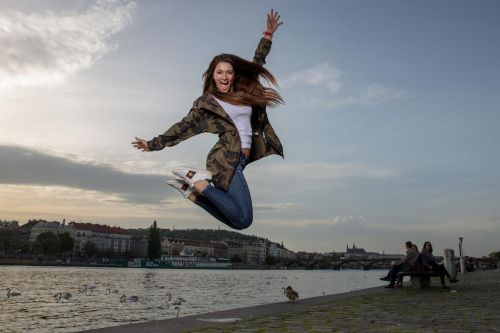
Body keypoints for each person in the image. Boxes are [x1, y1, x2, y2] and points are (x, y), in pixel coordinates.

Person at [132, 10, 284, 230]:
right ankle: (197, 180)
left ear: (233, 75)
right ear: (213, 75)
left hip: (238, 161)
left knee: (236, 220)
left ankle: (193, 193)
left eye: (229, 72)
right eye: (219, 72)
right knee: (244, 219)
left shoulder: (242, 90)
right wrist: (153, 144)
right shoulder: (207, 102)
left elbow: (257, 62)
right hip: (225, 159)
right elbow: (183, 126)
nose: (224, 76)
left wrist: (268, 36)